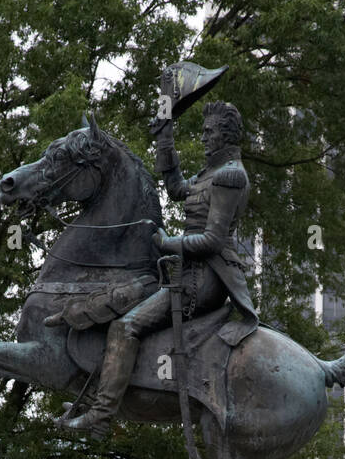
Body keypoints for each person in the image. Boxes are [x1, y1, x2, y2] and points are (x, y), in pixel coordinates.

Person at [61, 99, 258, 441]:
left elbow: (212, 240)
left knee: (126, 327)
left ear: (226, 136)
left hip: (205, 279)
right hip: (184, 271)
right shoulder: (211, 173)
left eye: (209, 132)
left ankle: (102, 415)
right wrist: (165, 137)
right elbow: (177, 189)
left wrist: (168, 243)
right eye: (203, 132)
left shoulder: (229, 176)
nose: (203, 138)